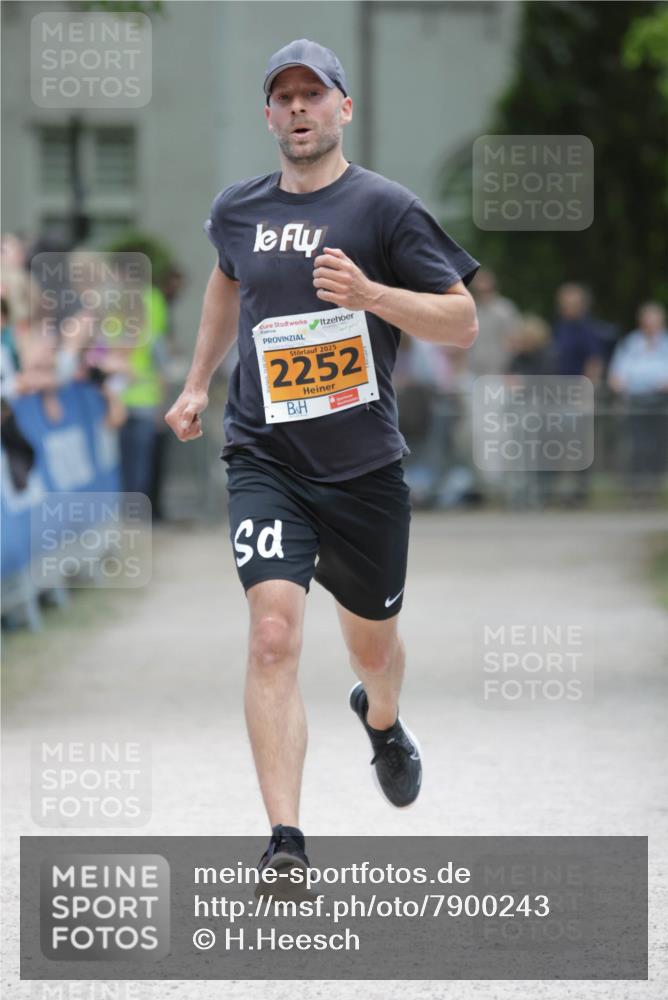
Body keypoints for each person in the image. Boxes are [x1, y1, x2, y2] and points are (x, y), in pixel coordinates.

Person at [165, 39, 479, 876]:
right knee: (272, 635)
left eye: (314, 93)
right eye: (285, 96)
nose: (299, 107)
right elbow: (226, 280)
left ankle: (381, 717)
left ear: (344, 107)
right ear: (268, 114)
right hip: (264, 456)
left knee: (373, 650)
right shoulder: (238, 210)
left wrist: (372, 295)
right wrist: (197, 383)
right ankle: (286, 841)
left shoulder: (386, 209)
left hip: (363, 467)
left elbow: (462, 321)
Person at [608, 301, 668, 498]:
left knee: (659, 445)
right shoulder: (630, 343)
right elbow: (616, 374)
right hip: (635, 402)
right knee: (637, 445)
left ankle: (654, 487)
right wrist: (619, 385)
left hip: (661, 402)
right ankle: (637, 487)